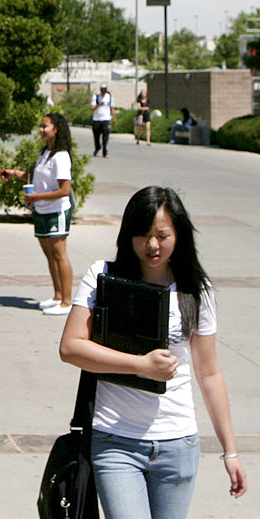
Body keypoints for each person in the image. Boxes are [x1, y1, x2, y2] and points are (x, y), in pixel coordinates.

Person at [59, 187, 247, 518]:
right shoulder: (103, 276)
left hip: (179, 445)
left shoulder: (195, 291)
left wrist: (230, 451)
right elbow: (71, 347)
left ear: (179, 236)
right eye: (143, 235)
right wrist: (140, 365)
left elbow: (209, 372)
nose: (153, 246)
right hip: (116, 441)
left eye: (162, 235)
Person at [0, 112, 75, 316]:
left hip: (56, 211)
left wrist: (37, 197)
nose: (41, 130)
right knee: (50, 255)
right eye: (40, 126)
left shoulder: (61, 156)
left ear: (56, 129)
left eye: (45, 126)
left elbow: (64, 190)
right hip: (41, 210)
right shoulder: (46, 153)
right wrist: (15, 173)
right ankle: (58, 296)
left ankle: (68, 302)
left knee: (60, 255)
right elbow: (38, 177)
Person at [91, 84, 116, 157]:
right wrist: (99, 105)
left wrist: (114, 119)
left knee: (106, 136)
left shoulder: (110, 97)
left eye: (105, 90)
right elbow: (92, 108)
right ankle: (97, 147)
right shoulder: (96, 97)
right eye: (102, 89)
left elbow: (112, 108)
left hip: (106, 119)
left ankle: (105, 152)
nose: (103, 91)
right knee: (96, 136)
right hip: (96, 119)